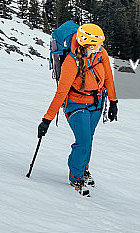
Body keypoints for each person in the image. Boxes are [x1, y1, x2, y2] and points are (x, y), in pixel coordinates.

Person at [37, 22, 118, 195]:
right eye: (98, 44)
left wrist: (113, 102)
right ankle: (76, 176)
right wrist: (47, 120)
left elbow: (109, 79)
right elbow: (61, 93)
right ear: (88, 44)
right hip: (76, 104)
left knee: (89, 138)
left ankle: (83, 168)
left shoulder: (100, 54)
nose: (101, 46)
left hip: (97, 103)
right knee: (83, 141)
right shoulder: (71, 62)